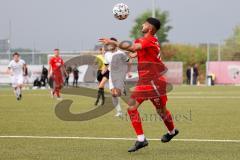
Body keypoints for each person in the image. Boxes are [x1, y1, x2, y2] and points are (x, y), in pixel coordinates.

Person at [99, 17, 179, 152]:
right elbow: (136, 50)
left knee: (161, 111)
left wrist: (113, 43)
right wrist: (134, 54)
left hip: (154, 82)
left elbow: (133, 47)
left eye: (145, 24)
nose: (142, 25)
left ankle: (172, 132)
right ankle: (141, 140)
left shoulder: (148, 40)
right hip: (145, 81)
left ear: (150, 28)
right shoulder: (147, 41)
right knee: (131, 108)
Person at [104, 37, 132, 117]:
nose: (109, 45)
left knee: (117, 93)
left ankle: (124, 91)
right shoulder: (107, 54)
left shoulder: (121, 53)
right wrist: (103, 71)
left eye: (111, 43)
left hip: (120, 74)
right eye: (109, 44)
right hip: (111, 74)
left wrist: (129, 71)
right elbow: (106, 64)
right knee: (113, 94)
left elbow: (129, 61)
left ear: (115, 44)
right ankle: (119, 112)